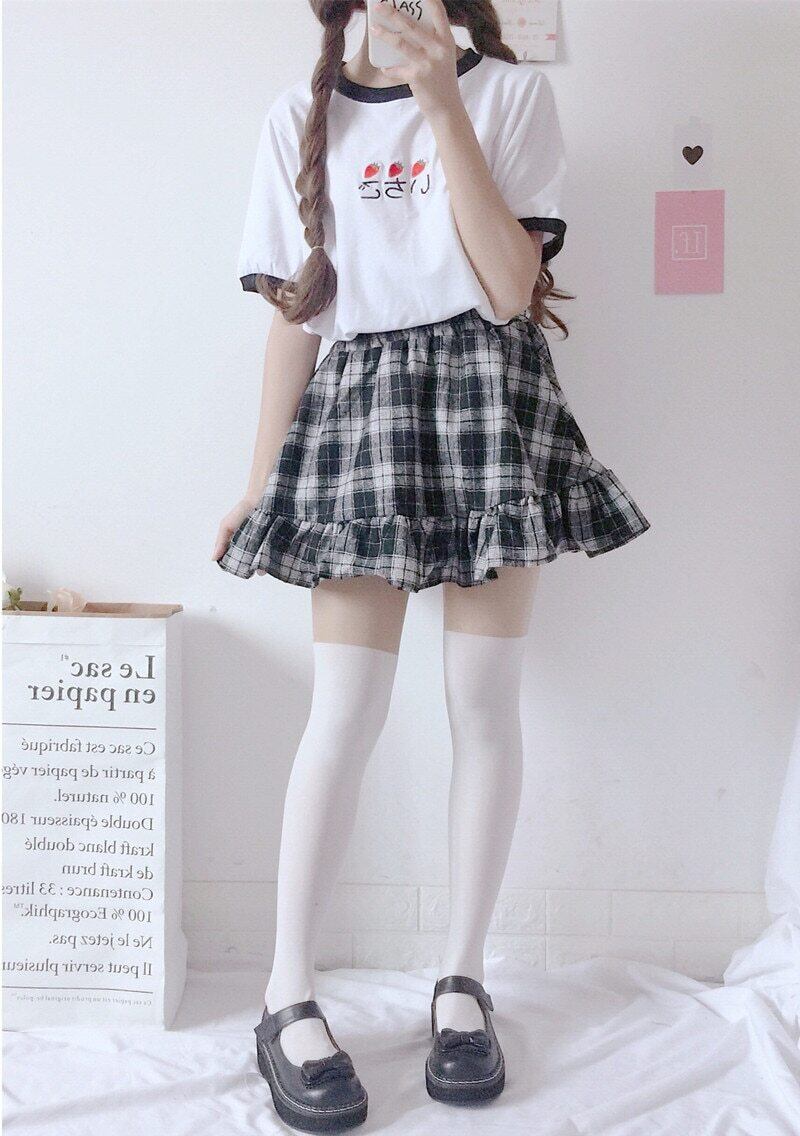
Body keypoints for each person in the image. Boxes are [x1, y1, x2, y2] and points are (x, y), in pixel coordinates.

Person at [213, 0, 650, 1128]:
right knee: (344, 708)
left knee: (482, 700)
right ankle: (285, 992)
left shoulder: (510, 94)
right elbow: (295, 319)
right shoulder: (297, 117)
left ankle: (462, 980)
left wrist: (443, 101)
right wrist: (260, 483)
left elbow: (507, 288)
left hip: (489, 405)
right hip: (360, 415)